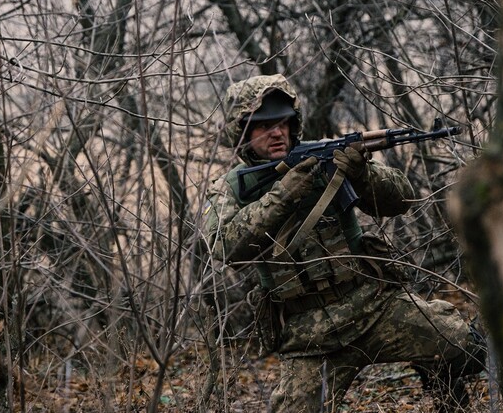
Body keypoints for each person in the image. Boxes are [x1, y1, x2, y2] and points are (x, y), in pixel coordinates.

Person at [203, 74, 485, 412]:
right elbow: (224, 247)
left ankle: (447, 396)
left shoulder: (323, 157)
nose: (277, 132)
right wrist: (282, 196)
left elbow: (402, 200)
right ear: (243, 133)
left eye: (283, 123)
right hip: (309, 338)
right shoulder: (232, 188)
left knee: (466, 347)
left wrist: (361, 175)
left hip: (373, 308)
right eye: (264, 126)